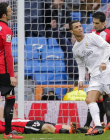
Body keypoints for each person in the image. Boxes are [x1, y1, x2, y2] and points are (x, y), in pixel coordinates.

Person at [0, 2, 24, 139]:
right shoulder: (6, 30)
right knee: (10, 99)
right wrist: (12, 75)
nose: (12, 12)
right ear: (4, 15)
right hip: (2, 70)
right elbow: (8, 54)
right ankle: (8, 133)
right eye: (10, 11)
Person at [0, 105, 79, 134]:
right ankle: (68, 132)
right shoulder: (2, 126)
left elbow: (11, 108)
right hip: (26, 126)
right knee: (48, 127)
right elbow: (1, 108)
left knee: (56, 125)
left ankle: (79, 130)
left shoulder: (8, 120)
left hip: (30, 122)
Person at [50, 19, 78, 84]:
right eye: (74, 37)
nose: (76, 38)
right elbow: (59, 38)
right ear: (71, 39)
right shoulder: (68, 46)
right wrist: (55, 28)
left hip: (83, 78)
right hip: (72, 78)